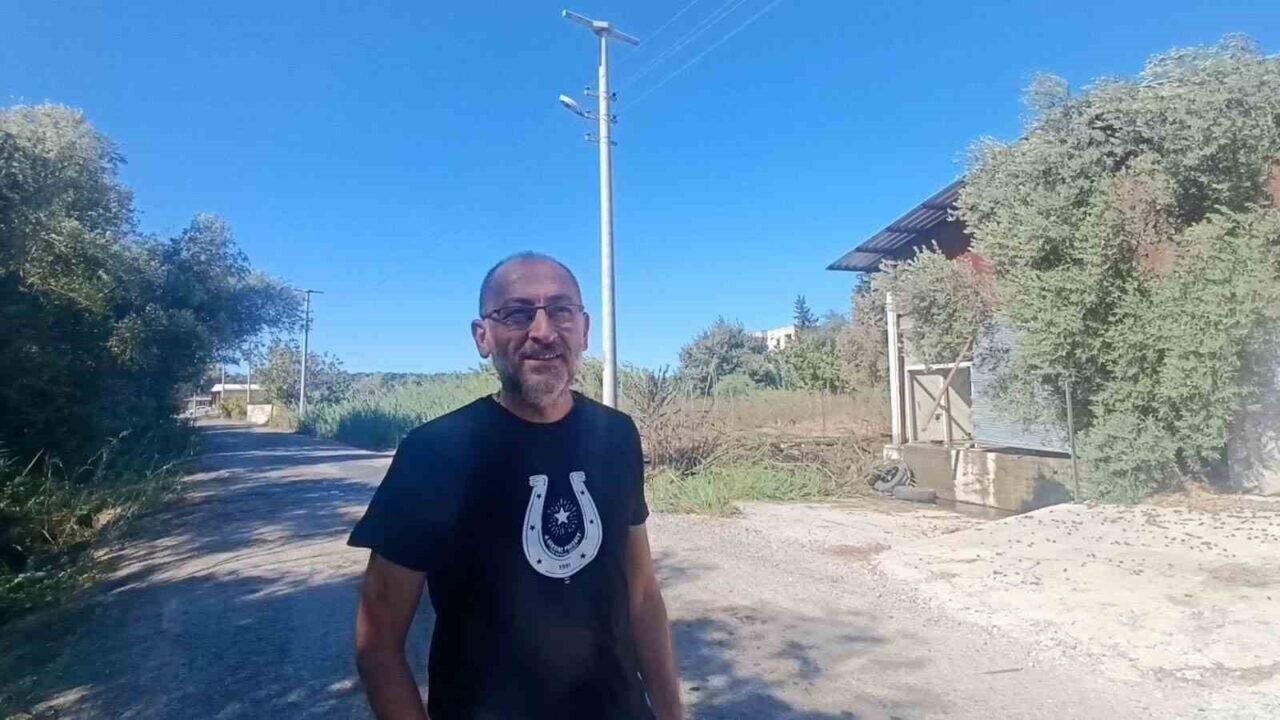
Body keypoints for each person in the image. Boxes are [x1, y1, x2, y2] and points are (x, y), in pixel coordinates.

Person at [348, 252, 684, 720]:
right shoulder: (433, 453)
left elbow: (642, 594)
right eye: (516, 313)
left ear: (584, 330)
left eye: (561, 310)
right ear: (482, 336)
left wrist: (671, 714)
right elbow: (378, 643)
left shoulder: (617, 434)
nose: (542, 331)